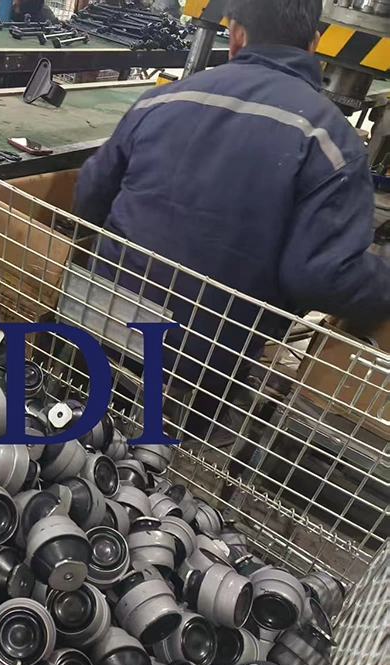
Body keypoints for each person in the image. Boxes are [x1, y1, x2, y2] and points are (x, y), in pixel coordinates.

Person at [73, 0, 390, 440]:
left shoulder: (162, 98)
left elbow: (90, 195)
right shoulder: (331, 139)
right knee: (156, 463)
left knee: (68, 433)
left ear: (236, 34)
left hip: (95, 320)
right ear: (315, 44)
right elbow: (320, 276)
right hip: (200, 364)